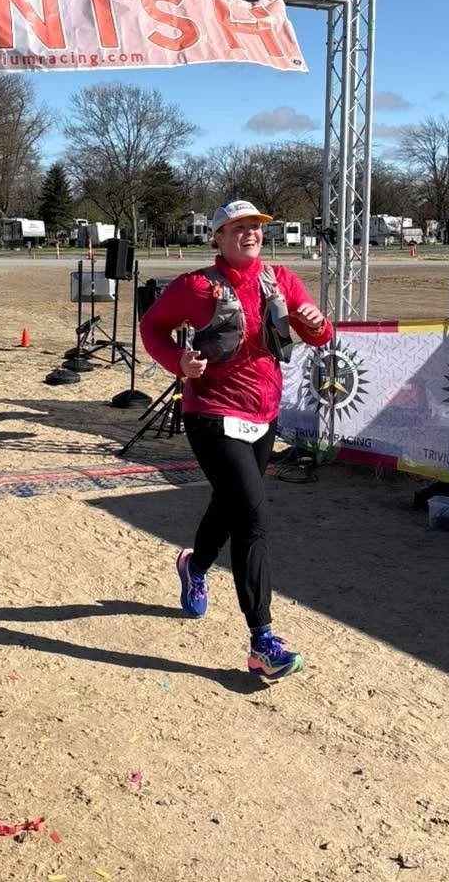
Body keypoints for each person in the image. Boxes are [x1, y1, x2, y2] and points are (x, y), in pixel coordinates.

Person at [139, 199, 333, 680]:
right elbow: (153, 326)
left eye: (255, 227)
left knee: (229, 505)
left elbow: (320, 335)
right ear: (218, 238)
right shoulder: (195, 286)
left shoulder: (283, 280)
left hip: (263, 414)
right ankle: (263, 642)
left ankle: (194, 565)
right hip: (209, 412)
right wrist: (177, 363)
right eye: (238, 227)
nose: (250, 233)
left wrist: (315, 324)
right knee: (252, 513)